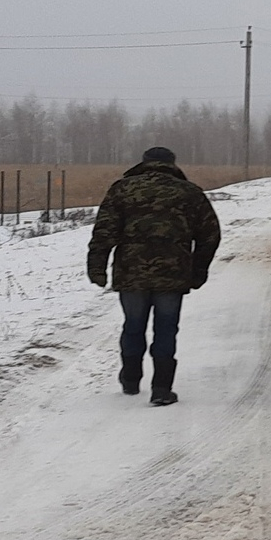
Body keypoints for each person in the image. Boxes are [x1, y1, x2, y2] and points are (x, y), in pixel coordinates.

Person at [87, 146, 222, 405]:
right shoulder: (189, 193)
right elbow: (209, 235)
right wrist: (198, 269)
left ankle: (130, 379)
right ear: (172, 164)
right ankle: (161, 389)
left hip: (131, 274)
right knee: (166, 329)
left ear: (144, 162)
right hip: (172, 275)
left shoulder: (123, 189)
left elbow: (104, 231)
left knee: (133, 326)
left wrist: (97, 267)